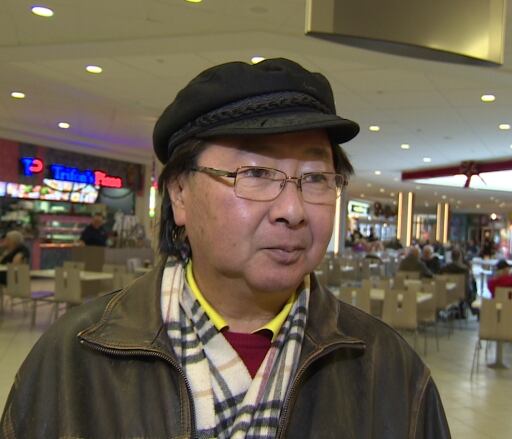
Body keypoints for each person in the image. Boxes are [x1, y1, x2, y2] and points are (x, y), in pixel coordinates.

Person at [2, 58, 450, 438]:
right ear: (179, 193)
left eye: (315, 178)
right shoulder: (74, 360)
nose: (292, 209)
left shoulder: (390, 373)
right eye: (255, 173)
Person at [441, 248, 476, 316]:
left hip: (448, 292)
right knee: (472, 287)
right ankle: (473, 309)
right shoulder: (465, 269)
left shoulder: (445, 268)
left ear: (451, 257)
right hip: (462, 292)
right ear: (460, 257)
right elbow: (467, 283)